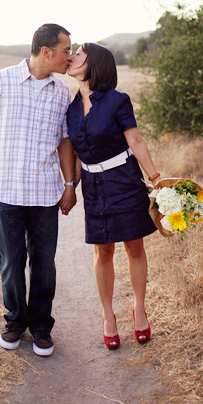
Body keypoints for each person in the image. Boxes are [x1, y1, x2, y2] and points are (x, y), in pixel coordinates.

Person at [0, 24, 78, 357]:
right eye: (67, 50)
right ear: (46, 51)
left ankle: (42, 327)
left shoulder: (62, 93)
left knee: (44, 265)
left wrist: (69, 184)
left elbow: (65, 143)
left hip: (46, 194)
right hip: (5, 193)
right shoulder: (1, 81)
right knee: (11, 262)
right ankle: (15, 322)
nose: (71, 57)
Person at [65, 42, 161, 349]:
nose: (72, 57)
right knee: (102, 252)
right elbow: (76, 154)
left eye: (78, 53)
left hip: (124, 179)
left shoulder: (119, 101)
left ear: (94, 64)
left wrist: (156, 179)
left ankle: (140, 309)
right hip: (94, 186)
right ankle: (108, 316)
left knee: (134, 246)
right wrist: (69, 189)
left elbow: (136, 139)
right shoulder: (69, 108)